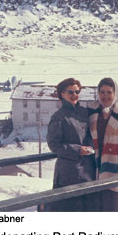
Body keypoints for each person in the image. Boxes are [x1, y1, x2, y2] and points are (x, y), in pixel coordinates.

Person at [43, 78, 96, 212]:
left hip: (87, 172)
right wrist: (78, 150)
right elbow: (54, 144)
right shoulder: (59, 117)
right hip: (68, 174)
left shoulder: (84, 113)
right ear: (62, 94)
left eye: (77, 91)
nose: (74, 95)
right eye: (70, 92)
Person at [88, 77, 118, 211]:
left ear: (116, 93)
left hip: (115, 174)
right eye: (102, 92)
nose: (105, 96)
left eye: (109, 92)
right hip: (95, 174)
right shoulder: (93, 114)